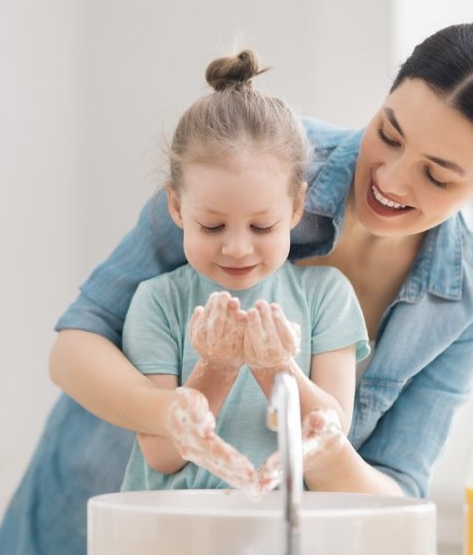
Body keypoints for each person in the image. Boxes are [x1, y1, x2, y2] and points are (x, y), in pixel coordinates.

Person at [0, 22, 473, 555]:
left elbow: (394, 495)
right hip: (90, 502)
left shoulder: (469, 294)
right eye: (388, 133)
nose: (390, 178)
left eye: (436, 174)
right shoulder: (257, 155)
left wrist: (322, 437)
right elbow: (75, 344)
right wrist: (172, 412)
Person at [117, 50, 369, 496]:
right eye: (212, 226)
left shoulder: (326, 297)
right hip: (179, 533)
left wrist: (278, 369)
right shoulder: (157, 301)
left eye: (261, 226)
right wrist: (216, 367)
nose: (236, 247)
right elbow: (162, 452)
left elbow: (332, 433)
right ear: (177, 207)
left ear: (295, 207)